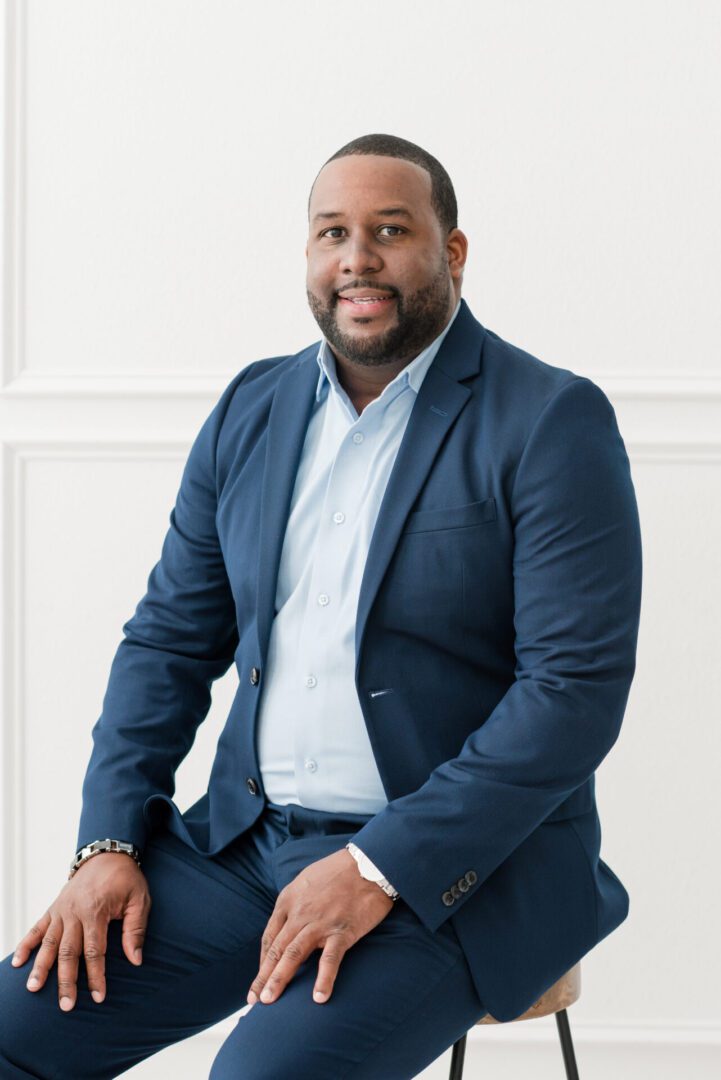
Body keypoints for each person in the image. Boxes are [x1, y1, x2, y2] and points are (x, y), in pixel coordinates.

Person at [0, 133, 643, 1079]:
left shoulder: (548, 420)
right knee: (13, 1031)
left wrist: (379, 866)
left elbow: (571, 695)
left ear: (451, 252)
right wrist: (107, 841)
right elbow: (168, 643)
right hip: (242, 851)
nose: (357, 258)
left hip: (449, 876)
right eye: (331, 233)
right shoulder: (251, 409)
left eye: (390, 230)